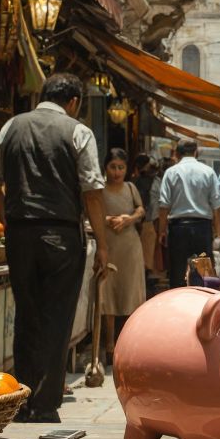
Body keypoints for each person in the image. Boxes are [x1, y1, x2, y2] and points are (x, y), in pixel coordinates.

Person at [0, 73, 109, 423]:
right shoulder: (77, 131)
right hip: (62, 235)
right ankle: (45, 403)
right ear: (73, 102)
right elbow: (92, 192)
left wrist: (6, 219)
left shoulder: (11, 127)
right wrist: (102, 243)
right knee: (56, 318)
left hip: (20, 234)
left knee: (27, 315)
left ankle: (21, 399)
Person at [97, 148, 145, 364]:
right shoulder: (99, 189)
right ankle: (109, 345)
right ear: (105, 168)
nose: (117, 172)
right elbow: (91, 213)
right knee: (108, 294)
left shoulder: (130, 187)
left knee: (130, 292)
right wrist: (107, 220)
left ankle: (130, 343)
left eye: (121, 167)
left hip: (130, 246)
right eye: (113, 167)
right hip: (108, 245)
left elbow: (141, 210)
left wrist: (128, 219)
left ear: (127, 169)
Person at [156, 139, 220, 290]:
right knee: (205, 274)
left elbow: (163, 205)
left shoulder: (171, 172)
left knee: (177, 275)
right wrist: (219, 234)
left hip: (178, 229)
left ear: (177, 153)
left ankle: (179, 309)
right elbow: (218, 206)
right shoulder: (208, 172)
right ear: (196, 152)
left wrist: (161, 232)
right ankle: (203, 308)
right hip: (203, 229)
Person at [129, 154, 161, 279]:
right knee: (148, 259)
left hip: (137, 223)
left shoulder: (133, 183)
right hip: (148, 223)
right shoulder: (154, 181)